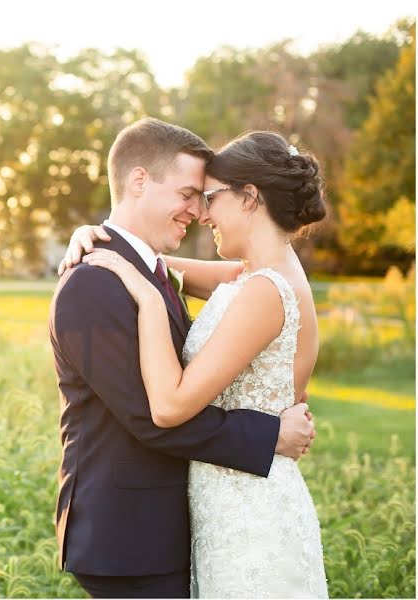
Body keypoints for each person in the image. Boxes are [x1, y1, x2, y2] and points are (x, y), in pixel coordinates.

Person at [49, 117, 318, 598]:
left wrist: (131, 267)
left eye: (207, 197)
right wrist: (270, 434)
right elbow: (150, 417)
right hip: (128, 536)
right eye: (189, 194)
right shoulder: (95, 282)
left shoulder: (260, 283)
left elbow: (168, 403)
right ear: (139, 181)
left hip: (219, 520)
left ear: (250, 198)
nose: (199, 211)